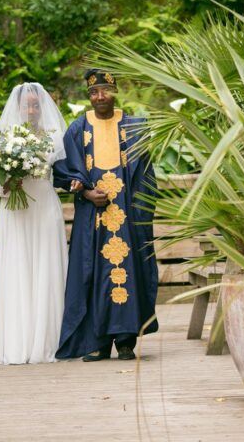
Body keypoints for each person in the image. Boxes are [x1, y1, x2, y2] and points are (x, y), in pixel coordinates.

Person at [53, 69, 159, 362]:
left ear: (115, 92)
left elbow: (147, 175)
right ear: (88, 96)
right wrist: (86, 193)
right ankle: (97, 341)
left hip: (127, 216)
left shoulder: (135, 127)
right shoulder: (78, 129)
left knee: (130, 275)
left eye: (105, 91)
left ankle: (126, 341)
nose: (100, 97)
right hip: (93, 219)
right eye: (93, 92)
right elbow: (63, 172)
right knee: (94, 276)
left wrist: (137, 211)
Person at [0, 82, 80, 364]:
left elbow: (63, 174)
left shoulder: (54, 137)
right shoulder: (5, 137)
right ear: (18, 107)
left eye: (36, 105)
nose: (31, 110)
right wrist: (6, 185)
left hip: (44, 207)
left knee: (45, 267)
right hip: (15, 211)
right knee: (18, 267)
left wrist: (77, 183)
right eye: (26, 105)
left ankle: (49, 339)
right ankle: (18, 340)